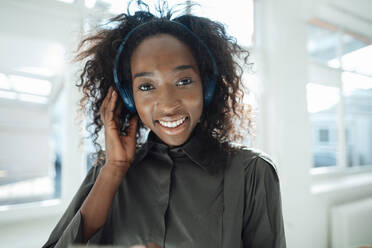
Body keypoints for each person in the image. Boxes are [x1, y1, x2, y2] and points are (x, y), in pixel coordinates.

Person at [43, 1, 286, 247]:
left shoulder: (252, 172)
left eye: (183, 81)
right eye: (146, 86)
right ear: (128, 98)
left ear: (207, 86)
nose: (168, 105)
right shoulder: (106, 173)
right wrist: (114, 169)